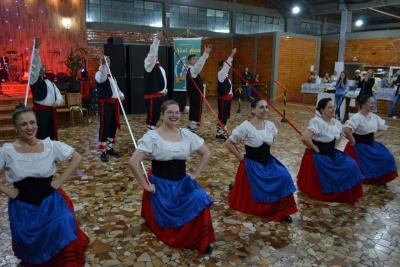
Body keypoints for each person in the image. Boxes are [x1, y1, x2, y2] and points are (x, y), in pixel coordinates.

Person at [0, 105, 88, 266]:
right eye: (24, 124)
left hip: (51, 202)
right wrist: (7, 190)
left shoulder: (50, 146)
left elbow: (77, 157)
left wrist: (58, 182)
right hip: (23, 206)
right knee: (27, 239)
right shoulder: (7, 151)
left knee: (63, 225)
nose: (29, 127)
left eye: (32, 123)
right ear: (15, 127)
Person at [129, 100, 215, 253]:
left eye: (177, 112)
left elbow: (206, 152)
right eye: (170, 112)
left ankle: (201, 239)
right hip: (163, 187)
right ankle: (183, 237)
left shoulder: (186, 134)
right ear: (162, 115)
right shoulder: (152, 137)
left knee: (200, 198)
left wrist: (195, 174)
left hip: (182, 184)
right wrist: (146, 185)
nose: (174, 115)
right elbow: (133, 162)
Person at [224, 99, 297, 223]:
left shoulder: (270, 125)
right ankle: (237, 188)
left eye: (266, 107)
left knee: (284, 176)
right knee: (258, 184)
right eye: (261, 107)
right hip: (252, 164)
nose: (264, 110)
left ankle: (282, 211)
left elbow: (271, 140)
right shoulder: (246, 126)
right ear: (253, 110)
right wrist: (240, 157)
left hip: (268, 162)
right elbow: (229, 143)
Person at [297, 98, 364, 203]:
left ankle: (346, 192)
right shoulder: (317, 122)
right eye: (330, 107)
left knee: (352, 165)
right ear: (322, 110)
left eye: (334, 107)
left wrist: (335, 147)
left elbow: (340, 134)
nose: (333, 109)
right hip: (319, 156)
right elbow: (305, 138)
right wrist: (315, 148)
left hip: (332, 153)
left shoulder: (336, 123)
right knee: (330, 171)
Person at [343, 95, 398, 185]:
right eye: (371, 103)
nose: (373, 105)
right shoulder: (357, 117)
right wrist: (352, 140)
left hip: (371, 144)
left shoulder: (374, 116)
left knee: (387, 157)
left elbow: (384, 128)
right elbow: (346, 130)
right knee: (367, 165)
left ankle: (379, 179)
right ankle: (370, 179)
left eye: (374, 103)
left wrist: (374, 136)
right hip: (359, 147)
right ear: (364, 104)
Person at [29, 38, 64, 140]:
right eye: (41, 66)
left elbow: (59, 97)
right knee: (41, 136)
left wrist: (57, 103)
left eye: (43, 67)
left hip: (51, 113)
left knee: (51, 136)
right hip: (40, 114)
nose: (42, 68)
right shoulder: (34, 80)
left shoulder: (51, 83)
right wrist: (35, 50)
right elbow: (34, 67)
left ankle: (50, 154)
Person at [95, 55, 125, 162]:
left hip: (114, 104)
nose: (108, 62)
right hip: (106, 105)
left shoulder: (112, 76)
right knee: (105, 127)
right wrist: (103, 64)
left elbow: (116, 89)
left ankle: (109, 148)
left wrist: (121, 94)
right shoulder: (99, 74)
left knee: (113, 126)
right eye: (106, 61)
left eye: (109, 60)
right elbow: (102, 77)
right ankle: (102, 151)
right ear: (101, 62)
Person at [144, 31, 168, 130]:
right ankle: (149, 138)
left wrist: (164, 90)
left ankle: (152, 134)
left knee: (157, 117)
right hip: (153, 97)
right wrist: (157, 40)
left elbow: (163, 81)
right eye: (154, 53)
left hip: (161, 97)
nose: (155, 54)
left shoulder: (160, 67)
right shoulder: (148, 64)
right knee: (152, 118)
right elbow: (152, 53)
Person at [186, 45, 212, 133]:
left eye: (196, 59)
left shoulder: (192, 70)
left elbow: (199, 64)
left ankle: (190, 126)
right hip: (196, 95)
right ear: (189, 61)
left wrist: (206, 54)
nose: (196, 60)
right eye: (193, 59)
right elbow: (200, 64)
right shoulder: (192, 70)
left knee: (194, 109)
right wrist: (205, 53)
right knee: (196, 110)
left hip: (195, 95)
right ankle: (192, 128)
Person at [216, 48, 236, 140]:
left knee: (224, 115)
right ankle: (222, 133)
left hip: (228, 99)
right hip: (224, 99)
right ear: (221, 67)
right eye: (224, 66)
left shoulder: (225, 75)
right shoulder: (221, 74)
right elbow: (227, 66)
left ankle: (220, 132)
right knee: (223, 116)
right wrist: (231, 54)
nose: (226, 67)